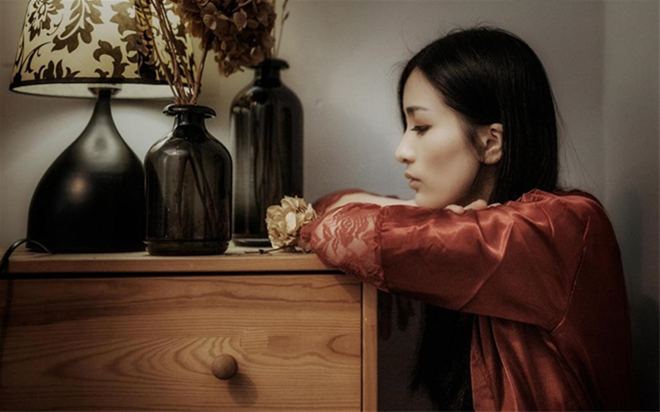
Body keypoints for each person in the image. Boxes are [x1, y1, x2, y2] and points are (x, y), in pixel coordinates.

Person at [300, 27, 638, 411]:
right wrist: (424, 218)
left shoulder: (560, 225)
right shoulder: (481, 226)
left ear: (491, 142)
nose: (402, 151)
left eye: (421, 127)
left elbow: (339, 231)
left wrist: (417, 223)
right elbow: (325, 206)